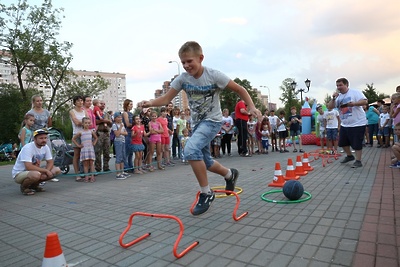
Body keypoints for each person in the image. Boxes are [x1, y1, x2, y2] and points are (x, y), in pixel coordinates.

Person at [140, 41, 261, 216]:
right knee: (204, 160)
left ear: (201, 58)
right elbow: (166, 99)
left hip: (212, 120)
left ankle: (206, 193)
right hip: (197, 123)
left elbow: (240, 90)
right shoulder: (182, 79)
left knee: (190, 150)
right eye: (183, 63)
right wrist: (150, 102)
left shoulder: (214, 76)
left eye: (190, 61)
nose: (186, 66)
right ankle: (229, 174)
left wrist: (251, 106)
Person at [328, 77, 368, 168]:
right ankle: (349, 156)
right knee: (342, 142)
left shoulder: (355, 92)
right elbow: (329, 106)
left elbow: (365, 101)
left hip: (358, 122)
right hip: (345, 123)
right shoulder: (338, 97)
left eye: (341, 85)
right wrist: (333, 98)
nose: (339, 87)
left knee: (356, 143)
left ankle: (358, 161)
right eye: (337, 85)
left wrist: (354, 104)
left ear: (346, 85)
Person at [12, 129, 61, 195]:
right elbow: (28, 166)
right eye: (41, 138)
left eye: (45, 138)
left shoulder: (45, 147)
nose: (44, 140)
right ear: (35, 139)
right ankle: (24, 188)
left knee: (57, 170)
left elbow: (50, 162)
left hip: (35, 170)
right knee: (36, 174)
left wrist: (47, 171)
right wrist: (45, 171)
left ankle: (34, 186)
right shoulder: (28, 148)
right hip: (19, 173)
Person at [26, 95, 58, 182]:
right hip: (35, 135)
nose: (39, 103)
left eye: (41, 101)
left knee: (48, 153)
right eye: (37, 101)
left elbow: (49, 123)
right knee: (35, 155)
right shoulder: (30, 112)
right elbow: (27, 124)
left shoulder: (46, 112)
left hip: (45, 134)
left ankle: (49, 172)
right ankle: (35, 174)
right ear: (34, 102)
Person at [72, 117, 98, 182]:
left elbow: (96, 138)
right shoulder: (80, 132)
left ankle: (92, 176)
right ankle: (86, 176)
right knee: (85, 163)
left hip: (90, 149)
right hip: (84, 149)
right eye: (85, 123)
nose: (87, 124)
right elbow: (73, 139)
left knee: (91, 163)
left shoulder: (91, 131)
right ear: (83, 124)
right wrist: (78, 145)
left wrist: (94, 143)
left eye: (88, 123)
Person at [69, 95, 88, 182]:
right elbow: (76, 122)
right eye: (78, 101)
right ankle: (77, 174)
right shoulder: (72, 111)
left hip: (85, 134)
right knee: (76, 154)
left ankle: (84, 171)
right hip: (76, 134)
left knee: (84, 154)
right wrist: (84, 123)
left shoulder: (85, 111)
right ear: (75, 102)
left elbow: (88, 122)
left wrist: (85, 123)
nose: (80, 102)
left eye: (81, 100)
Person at [95, 100, 113, 173]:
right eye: (101, 104)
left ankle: (106, 167)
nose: (102, 105)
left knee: (107, 151)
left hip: (107, 134)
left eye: (104, 104)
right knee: (98, 151)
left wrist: (108, 121)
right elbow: (95, 122)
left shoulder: (107, 114)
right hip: (99, 133)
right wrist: (102, 121)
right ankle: (98, 168)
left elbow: (111, 123)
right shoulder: (96, 113)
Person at [112, 112, 130, 179]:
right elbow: (116, 134)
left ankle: (122, 171)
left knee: (123, 157)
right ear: (115, 118)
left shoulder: (122, 124)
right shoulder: (114, 125)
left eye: (120, 117)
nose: (120, 118)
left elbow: (126, 133)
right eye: (118, 117)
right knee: (118, 157)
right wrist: (120, 128)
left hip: (123, 141)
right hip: (118, 142)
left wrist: (121, 132)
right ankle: (118, 173)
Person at [122, 99, 134, 172]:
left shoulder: (131, 114)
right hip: (127, 132)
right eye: (130, 104)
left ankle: (130, 165)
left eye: (132, 104)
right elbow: (127, 124)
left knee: (131, 151)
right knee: (126, 151)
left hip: (132, 133)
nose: (131, 106)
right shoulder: (125, 113)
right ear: (126, 105)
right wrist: (135, 124)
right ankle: (125, 166)